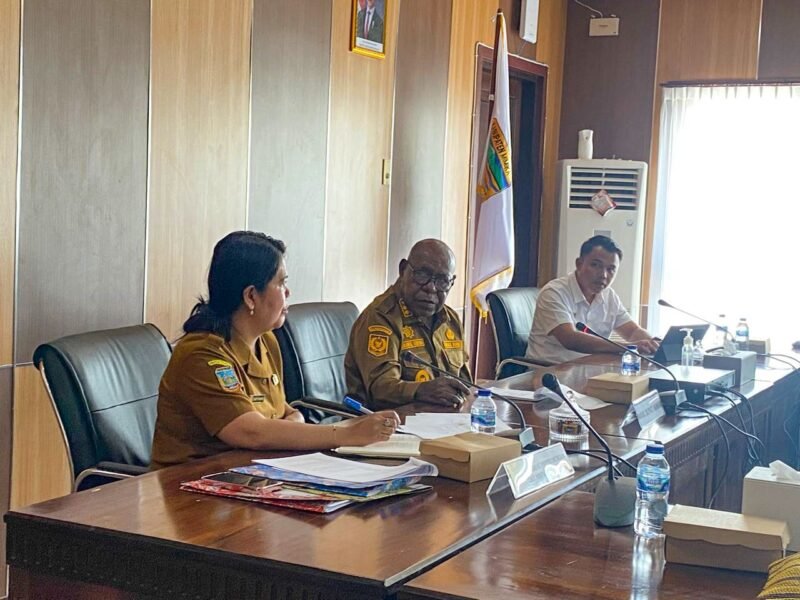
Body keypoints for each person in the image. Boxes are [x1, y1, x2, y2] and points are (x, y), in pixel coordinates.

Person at [150, 231, 399, 470]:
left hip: (253, 475)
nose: (288, 292)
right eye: (280, 283)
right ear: (251, 296)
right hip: (190, 487)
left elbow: (286, 412)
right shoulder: (202, 354)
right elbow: (251, 431)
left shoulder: (266, 340)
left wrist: (290, 422)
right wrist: (345, 433)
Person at [345, 239, 472, 411]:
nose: (431, 288)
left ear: (451, 283)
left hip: (442, 422)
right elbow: (380, 390)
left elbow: (465, 385)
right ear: (403, 270)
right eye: (422, 275)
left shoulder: (451, 320)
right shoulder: (381, 318)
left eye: (442, 280)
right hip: (385, 426)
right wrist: (423, 390)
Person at [526, 235, 659, 365]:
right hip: (547, 373)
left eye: (611, 269)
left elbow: (632, 331)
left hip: (589, 372)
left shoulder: (609, 296)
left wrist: (652, 344)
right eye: (596, 265)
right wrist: (629, 347)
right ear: (579, 264)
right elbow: (570, 338)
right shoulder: (554, 292)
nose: (603, 275)